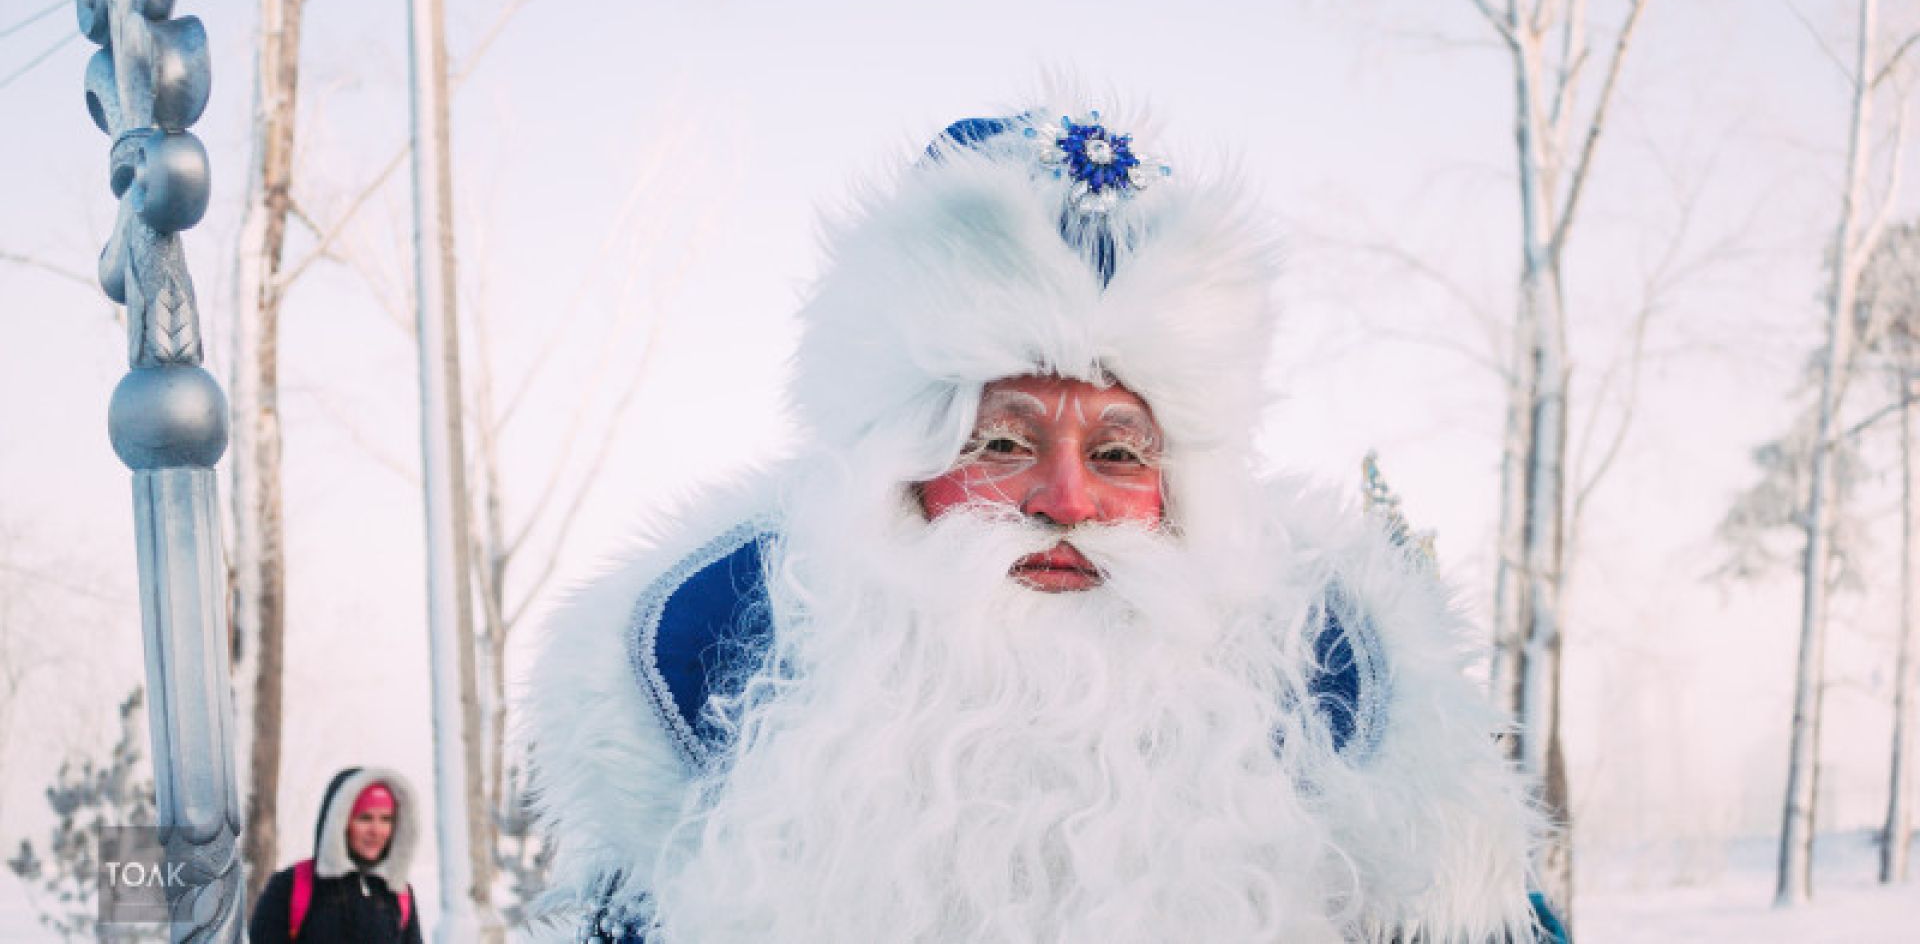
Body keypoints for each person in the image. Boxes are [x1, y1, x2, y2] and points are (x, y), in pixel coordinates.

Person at [526, 99, 1555, 942]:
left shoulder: (1347, 717)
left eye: (1117, 453)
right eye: (1002, 444)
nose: (1067, 503)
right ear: (899, 476)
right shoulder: (696, 712)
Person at [249, 767, 423, 944]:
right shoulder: (291, 885)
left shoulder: (398, 893)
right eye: (365, 818)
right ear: (340, 820)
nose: (376, 830)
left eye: (386, 819)